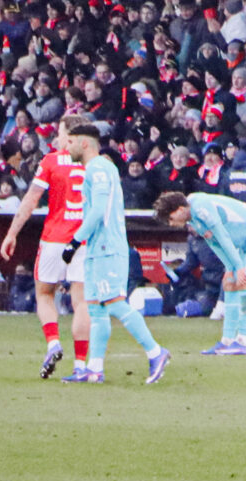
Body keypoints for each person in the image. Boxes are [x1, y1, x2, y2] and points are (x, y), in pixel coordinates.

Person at [58, 120, 166, 384]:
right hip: (97, 248)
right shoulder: (96, 169)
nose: (66, 147)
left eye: (70, 142)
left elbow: (98, 210)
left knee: (115, 303)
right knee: (96, 308)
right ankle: (94, 369)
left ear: (84, 143)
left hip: (108, 247)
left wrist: (74, 241)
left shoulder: (99, 168)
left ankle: (156, 352)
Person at [2, 121, 88, 378]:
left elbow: (31, 199)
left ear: (68, 135)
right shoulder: (93, 161)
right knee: (82, 301)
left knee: (44, 293)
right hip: (84, 238)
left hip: (55, 238)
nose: (56, 138)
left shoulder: (51, 161)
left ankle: (53, 342)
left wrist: (12, 233)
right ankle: (80, 365)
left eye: (59, 133)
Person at [152, 187, 246, 355]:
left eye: (171, 218)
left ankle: (241, 341)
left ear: (180, 209)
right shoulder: (193, 219)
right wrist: (230, 266)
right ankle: (226, 341)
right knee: (229, 283)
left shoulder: (201, 208)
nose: (171, 224)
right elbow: (215, 243)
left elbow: (223, 237)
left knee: (244, 282)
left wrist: (238, 266)